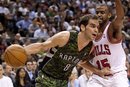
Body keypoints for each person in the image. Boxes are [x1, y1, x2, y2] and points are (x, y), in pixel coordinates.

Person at [23, 14, 100, 87]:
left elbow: (82, 62)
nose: (96, 30)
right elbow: (42, 46)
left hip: (63, 82)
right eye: (92, 26)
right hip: (46, 78)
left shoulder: (90, 47)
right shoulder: (66, 37)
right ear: (83, 27)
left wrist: (98, 71)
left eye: (97, 27)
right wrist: (22, 51)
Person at [80, 0, 129, 87]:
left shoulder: (111, 29)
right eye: (97, 12)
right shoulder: (91, 35)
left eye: (102, 12)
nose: (99, 15)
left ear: (109, 15)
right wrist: (98, 71)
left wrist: (117, 1)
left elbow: (120, 17)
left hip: (117, 75)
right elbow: (82, 61)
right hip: (99, 76)